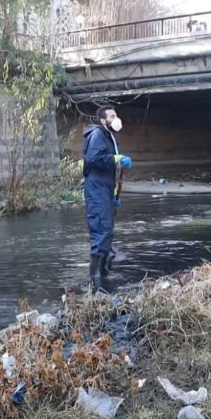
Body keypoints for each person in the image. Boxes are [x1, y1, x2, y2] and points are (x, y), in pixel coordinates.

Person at [83, 105, 132, 292]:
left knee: (107, 231)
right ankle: (95, 280)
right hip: (96, 189)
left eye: (116, 115)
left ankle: (102, 276)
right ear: (103, 120)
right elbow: (94, 159)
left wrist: (112, 197)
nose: (116, 118)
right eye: (112, 116)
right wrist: (117, 159)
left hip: (104, 189)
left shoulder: (107, 135)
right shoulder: (97, 135)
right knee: (101, 230)